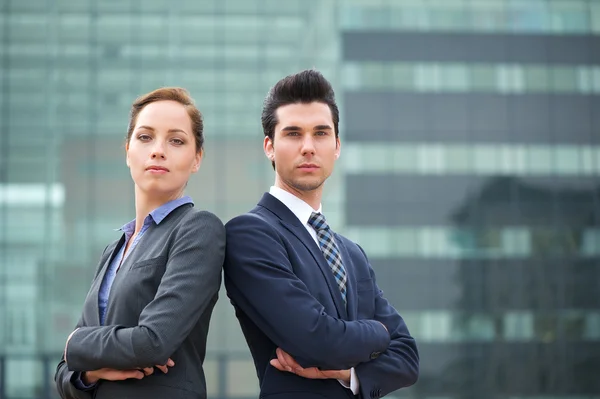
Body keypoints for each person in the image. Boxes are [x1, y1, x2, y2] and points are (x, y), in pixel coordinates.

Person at [223, 69, 419, 399]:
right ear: (269, 146)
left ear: (337, 145)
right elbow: (316, 340)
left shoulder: (351, 253)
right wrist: (378, 332)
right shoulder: (250, 234)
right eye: (294, 134)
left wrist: (348, 372)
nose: (309, 147)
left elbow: (408, 359)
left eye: (321, 133)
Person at [54, 87, 225, 399]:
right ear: (127, 151)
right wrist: (91, 371)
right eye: (146, 137)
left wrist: (76, 343)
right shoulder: (114, 249)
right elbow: (65, 377)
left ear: (197, 158)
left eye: (176, 140)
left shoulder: (198, 229)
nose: (158, 150)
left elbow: (153, 342)